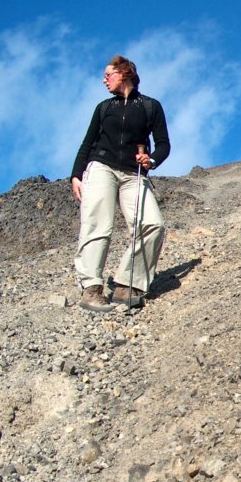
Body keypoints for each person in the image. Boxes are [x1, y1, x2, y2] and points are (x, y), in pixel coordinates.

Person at [71, 55, 170, 312]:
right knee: (97, 225)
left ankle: (127, 283)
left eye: (108, 74)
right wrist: (76, 175)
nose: (104, 80)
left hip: (134, 174)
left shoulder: (150, 106)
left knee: (153, 224)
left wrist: (153, 159)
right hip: (101, 167)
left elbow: (163, 144)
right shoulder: (104, 108)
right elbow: (87, 142)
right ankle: (91, 289)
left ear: (124, 73)